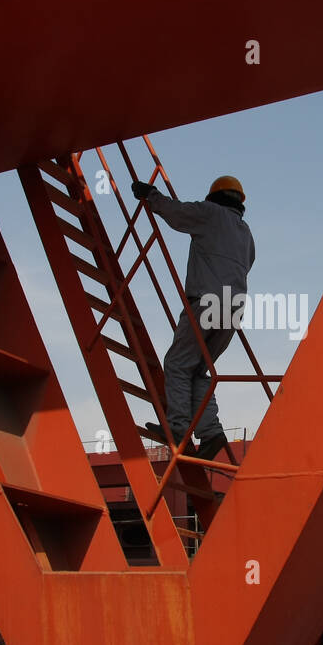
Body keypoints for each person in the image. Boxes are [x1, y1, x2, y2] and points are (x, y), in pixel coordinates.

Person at [131, 175, 255, 460]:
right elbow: (248, 263)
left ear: (214, 197)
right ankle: (211, 432)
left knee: (177, 363)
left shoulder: (210, 214)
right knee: (198, 369)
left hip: (206, 299)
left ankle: (177, 429)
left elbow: (178, 214)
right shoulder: (245, 232)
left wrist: (152, 195)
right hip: (235, 306)